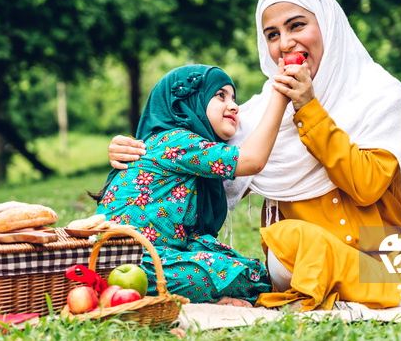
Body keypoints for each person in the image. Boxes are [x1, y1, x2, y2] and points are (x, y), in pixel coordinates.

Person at [107, 0, 401, 311]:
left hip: (383, 250)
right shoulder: (258, 114)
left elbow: (367, 185)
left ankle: (382, 282)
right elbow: (196, 164)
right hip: (303, 259)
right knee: (300, 242)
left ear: (329, 25)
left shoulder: (381, 94)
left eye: (297, 25)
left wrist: (309, 107)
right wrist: (132, 152)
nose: (284, 44)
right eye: (271, 34)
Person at [92, 63, 297, 307]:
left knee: (237, 266)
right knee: (248, 276)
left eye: (234, 97)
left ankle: (206, 294)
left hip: (152, 256)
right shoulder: (177, 142)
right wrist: (281, 96)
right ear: (187, 103)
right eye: (220, 95)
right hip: (135, 263)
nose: (233, 105)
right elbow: (252, 161)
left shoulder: (180, 146)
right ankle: (199, 296)